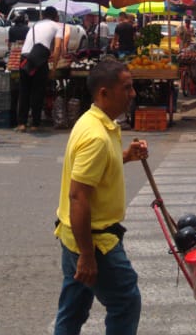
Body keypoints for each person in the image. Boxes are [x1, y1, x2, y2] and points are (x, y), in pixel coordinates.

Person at [53, 57, 149, 335]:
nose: (133, 94)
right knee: (125, 301)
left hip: (74, 235)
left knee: (73, 309)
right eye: (127, 88)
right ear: (104, 93)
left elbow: (99, 170)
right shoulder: (95, 136)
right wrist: (87, 255)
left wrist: (126, 156)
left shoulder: (95, 122)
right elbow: (78, 197)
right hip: (94, 241)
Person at [20, 6, 64, 132]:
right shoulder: (57, 26)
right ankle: (35, 123)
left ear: (43, 16)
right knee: (37, 92)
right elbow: (57, 48)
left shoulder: (34, 25)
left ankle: (22, 123)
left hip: (24, 58)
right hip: (38, 60)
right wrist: (54, 69)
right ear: (56, 17)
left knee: (24, 91)